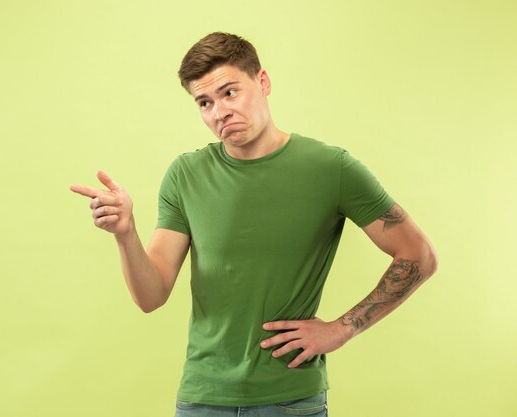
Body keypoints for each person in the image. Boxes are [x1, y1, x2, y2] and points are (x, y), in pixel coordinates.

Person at [70, 32, 438, 417]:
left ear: (262, 82)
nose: (219, 112)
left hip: (290, 399)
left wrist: (343, 329)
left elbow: (418, 255)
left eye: (230, 93)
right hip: (202, 397)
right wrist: (126, 234)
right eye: (204, 102)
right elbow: (151, 295)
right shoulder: (186, 175)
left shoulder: (332, 169)